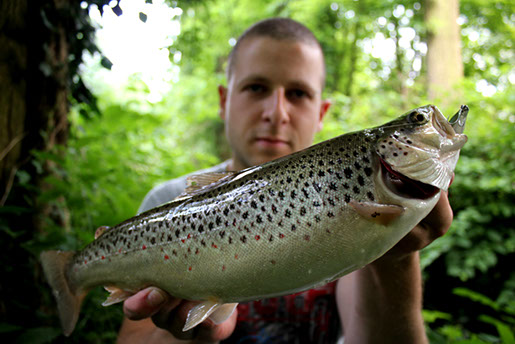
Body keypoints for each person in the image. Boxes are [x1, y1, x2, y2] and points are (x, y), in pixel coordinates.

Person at [117, 18, 453, 344]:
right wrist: (183, 337)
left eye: (297, 93)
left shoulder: (360, 204)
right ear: (224, 100)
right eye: (256, 88)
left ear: (321, 114)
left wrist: (396, 257)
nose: (277, 113)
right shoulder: (168, 201)